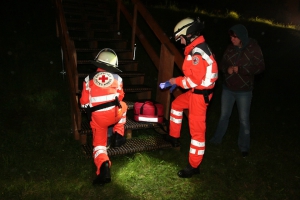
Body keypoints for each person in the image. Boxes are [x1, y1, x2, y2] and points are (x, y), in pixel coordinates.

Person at [161, 17, 218, 178]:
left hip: (199, 96)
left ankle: (194, 166)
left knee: (197, 133)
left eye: (181, 38)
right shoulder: (196, 48)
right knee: (177, 104)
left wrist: (175, 81)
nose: (180, 42)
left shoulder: (197, 54)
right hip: (196, 92)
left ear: (189, 34)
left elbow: (193, 80)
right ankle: (174, 137)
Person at [209, 24, 265, 158]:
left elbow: (261, 67)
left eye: (235, 37)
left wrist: (242, 70)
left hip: (244, 91)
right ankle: (216, 140)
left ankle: (244, 147)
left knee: (244, 119)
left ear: (242, 37)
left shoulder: (253, 49)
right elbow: (222, 64)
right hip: (228, 88)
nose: (232, 39)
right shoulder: (230, 49)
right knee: (224, 115)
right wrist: (226, 69)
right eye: (231, 36)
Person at [80, 48, 128, 185]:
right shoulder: (118, 78)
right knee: (124, 106)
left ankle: (104, 168)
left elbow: (84, 102)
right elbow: (120, 97)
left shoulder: (87, 79)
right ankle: (119, 134)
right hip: (114, 115)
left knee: (99, 145)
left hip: (98, 119)